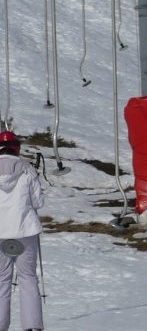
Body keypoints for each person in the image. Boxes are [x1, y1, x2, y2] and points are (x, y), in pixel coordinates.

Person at [0, 131, 44, 331]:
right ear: (16, 147)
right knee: (28, 277)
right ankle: (32, 326)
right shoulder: (27, 170)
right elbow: (38, 202)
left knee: (2, 280)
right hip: (25, 231)